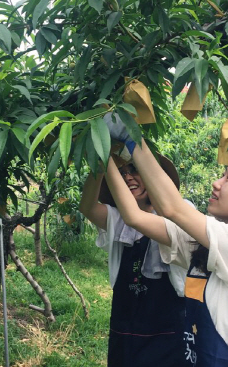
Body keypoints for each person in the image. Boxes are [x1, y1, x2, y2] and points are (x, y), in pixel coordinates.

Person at [102, 114, 228, 367]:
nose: (216, 184)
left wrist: (133, 138)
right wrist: (102, 152)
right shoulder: (206, 246)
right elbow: (134, 217)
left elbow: (172, 208)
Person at [79, 150, 192, 367]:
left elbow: (141, 219)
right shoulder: (118, 218)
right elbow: (88, 207)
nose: (127, 176)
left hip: (169, 330)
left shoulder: (182, 214)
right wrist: (101, 164)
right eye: (121, 173)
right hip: (126, 326)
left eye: (135, 169)